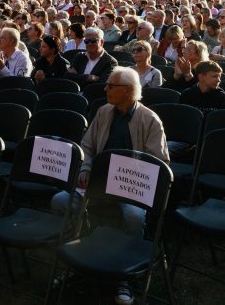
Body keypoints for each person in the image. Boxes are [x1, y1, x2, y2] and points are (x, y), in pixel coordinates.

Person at [51, 66, 168, 305]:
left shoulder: (149, 119)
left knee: (134, 216)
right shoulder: (104, 111)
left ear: (127, 91)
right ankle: (81, 253)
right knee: (59, 201)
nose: (105, 89)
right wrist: (85, 168)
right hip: (98, 183)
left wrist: (131, 177)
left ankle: (125, 274)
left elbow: (160, 161)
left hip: (130, 187)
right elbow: (87, 145)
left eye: (111, 86)